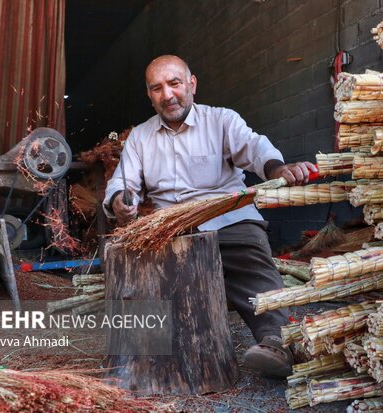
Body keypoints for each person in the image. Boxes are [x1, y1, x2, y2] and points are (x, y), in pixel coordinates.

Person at [103, 55, 317, 377]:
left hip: (228, 215)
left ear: (192, 84)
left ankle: (276, 341)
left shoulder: (221, 120)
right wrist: (120, 200)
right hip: (171, 225)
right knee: (148, 275)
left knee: (251, 260)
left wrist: (277, 168)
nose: (168, 95)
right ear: (150, 95)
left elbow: (255, 148)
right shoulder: (141, 137)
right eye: (157, 88)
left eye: (175, 84)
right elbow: (123, 182)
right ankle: (151, 354)